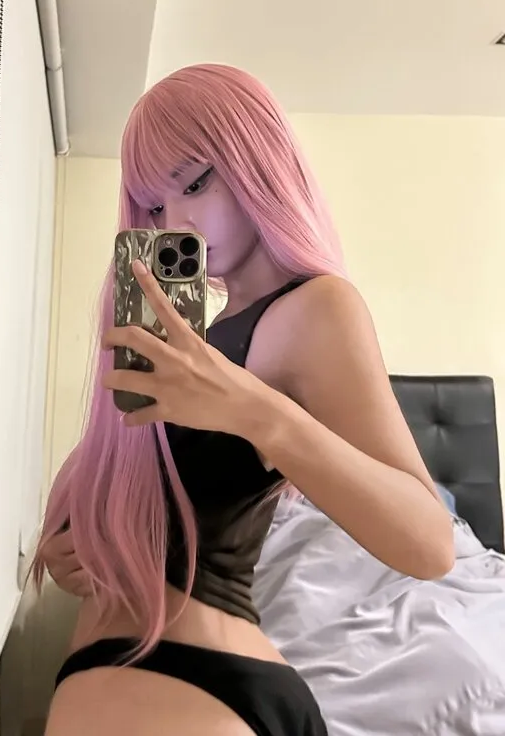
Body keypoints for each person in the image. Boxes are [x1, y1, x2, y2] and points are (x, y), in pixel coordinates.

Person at [32, 64, 455, 736]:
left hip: (198, 680)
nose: (177, 221)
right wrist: (74, 549)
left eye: (195, 182)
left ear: (255, 157)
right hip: (151, 674)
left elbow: (430, 545)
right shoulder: (198, 339)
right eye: (154, 205)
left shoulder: (315, 309)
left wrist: (253, 411)